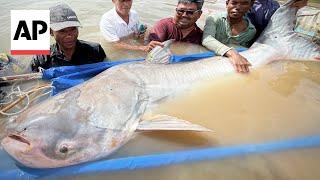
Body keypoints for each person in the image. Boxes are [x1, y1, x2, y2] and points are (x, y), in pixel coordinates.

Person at [31, 3, 106, 72]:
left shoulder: (95, 51)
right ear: (50, 32)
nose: (69, 36)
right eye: (62, 31)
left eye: (73, 29)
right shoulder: (40, 59)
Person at [202, 0, 255, 73]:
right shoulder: (213, 19)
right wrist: (232, 53)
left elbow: (243, 51)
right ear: (227, 4)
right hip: (209, 62)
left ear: (250, 6)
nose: (238, 7)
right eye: (234, 3)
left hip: (227, 65)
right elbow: (207, 40)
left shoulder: (251, 30)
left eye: (244, 3)